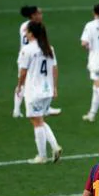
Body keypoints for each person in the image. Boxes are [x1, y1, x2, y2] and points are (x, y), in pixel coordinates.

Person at [16, 21, 62, 164]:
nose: (25, 34)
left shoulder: (27, 50)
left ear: (32, 33)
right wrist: (54, 87)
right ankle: (54, 146)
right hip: (47, 90)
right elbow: (55, 68)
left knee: (36, 122)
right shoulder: (49, 48)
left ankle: (42, 156)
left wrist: (19, 86)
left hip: (34, 91)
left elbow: (23, 71)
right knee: (40, 120)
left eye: (27, 31)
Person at [14, 5, 61, 118]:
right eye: (39, 13)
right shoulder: (29, 27)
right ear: (33, 15)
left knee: (35, 81)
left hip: (32, 55)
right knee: (25, 82)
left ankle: (44, 107)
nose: (41, 15)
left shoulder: (31, 26)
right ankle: (17, 109)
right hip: (30, 57)